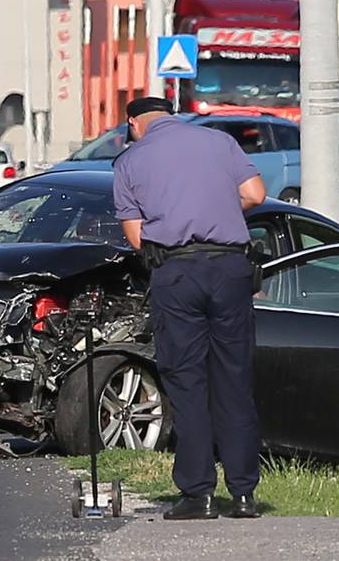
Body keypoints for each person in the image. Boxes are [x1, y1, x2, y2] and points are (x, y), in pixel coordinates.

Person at [113, 97, 267, 521]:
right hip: (231, 269)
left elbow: (138, 239)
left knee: (187, 382)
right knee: (234, 379)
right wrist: (216, 210)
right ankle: (243, 495)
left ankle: (198, 495)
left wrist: (177, 219)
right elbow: (255, 193)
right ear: (171, 115)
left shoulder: (129, 162)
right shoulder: (218, 142)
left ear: (134, 124)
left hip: (177, 274)